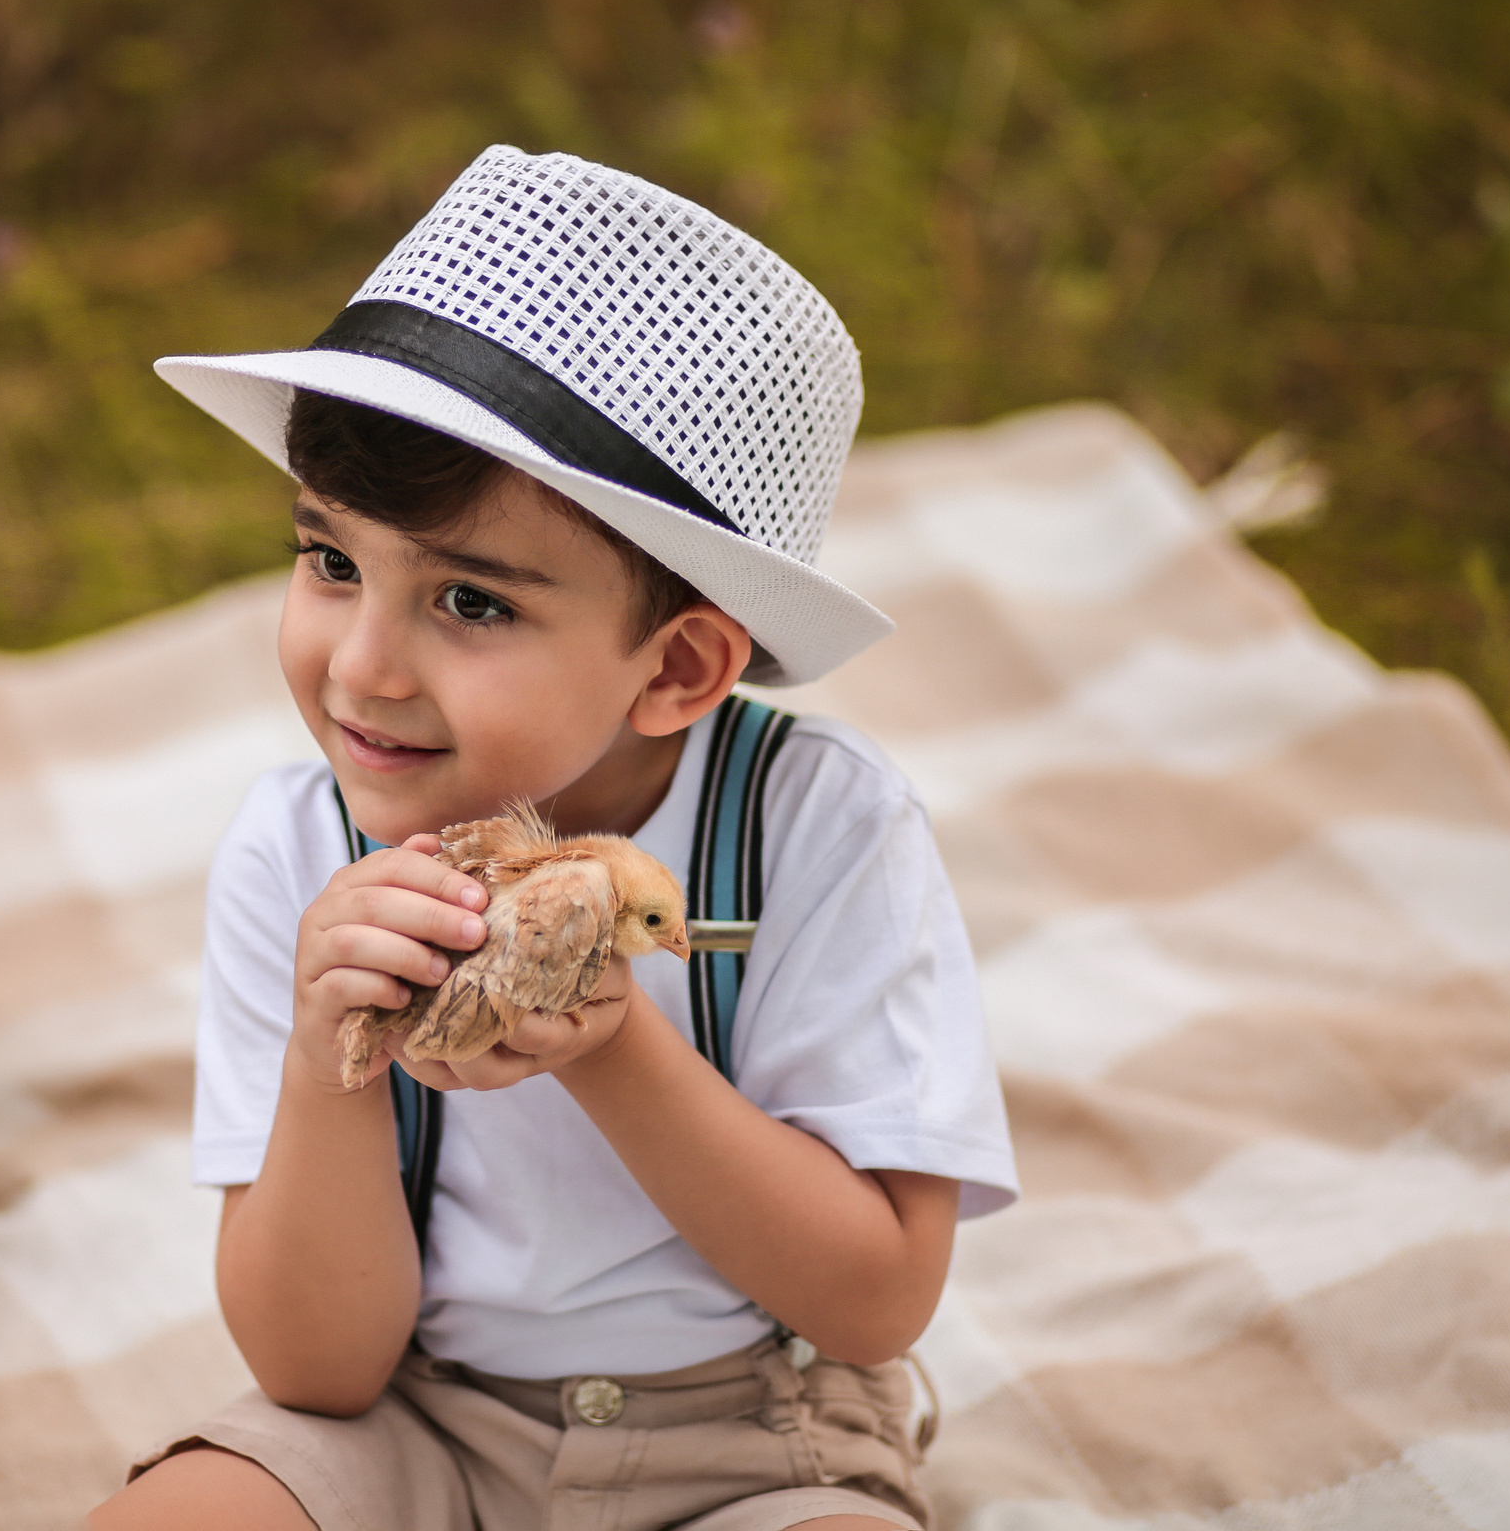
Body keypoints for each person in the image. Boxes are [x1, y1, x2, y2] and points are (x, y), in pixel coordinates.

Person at [92, 146, 1016, 1531]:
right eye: (333, 561)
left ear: (680, 667)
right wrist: (330, 1057)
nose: (361, 668)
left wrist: (614, 1045)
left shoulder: (815, 825)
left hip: (752, 1434)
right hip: (416, 1414)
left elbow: (876, 1300)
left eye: (471, 603)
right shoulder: (299, 850)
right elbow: (315, 1371)